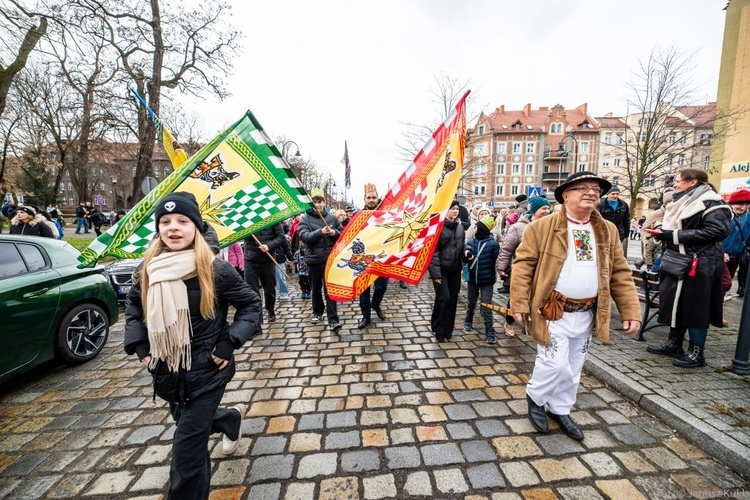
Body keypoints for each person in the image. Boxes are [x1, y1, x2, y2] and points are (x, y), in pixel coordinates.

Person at [123, 192, 261, 499]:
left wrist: (228, 343)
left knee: (186, 453)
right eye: (165, 221)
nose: (173, 227)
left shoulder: (215, 269)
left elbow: (251, 305)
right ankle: (228, 419)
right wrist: (141, 348)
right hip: (168, 371)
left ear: (195, 227)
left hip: (207, 373)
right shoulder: (149, 269)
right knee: (194, 431)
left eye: (182, 221)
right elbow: (134, 308)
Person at [510, 171, 641, 440]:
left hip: (586, 313)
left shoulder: (607, 229)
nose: (591, 192)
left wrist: (630, 310)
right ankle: (536, 397)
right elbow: (523, 267)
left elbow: (619, 272)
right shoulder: (541, 228)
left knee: (573, 366)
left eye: (596, 189)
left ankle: (559, 409)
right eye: (583, 187)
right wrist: (519, 304)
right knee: (554, 365)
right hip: (551, 310)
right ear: (565, 194)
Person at [646, 168, 732, 367]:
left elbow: (718, 231)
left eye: (678, 181)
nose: (675, 184)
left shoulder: (712, 201)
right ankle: (674, 343)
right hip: (679, 260)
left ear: (692, 182)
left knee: (696, 307)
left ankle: (697, 353)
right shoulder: (684, 201)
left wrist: (673, 236)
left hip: (701, 264)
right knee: (679, 303)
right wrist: (664, 233)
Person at [496, 196, 552, 336]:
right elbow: (506, 249)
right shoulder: (518, 228)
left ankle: (536, 324)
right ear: (533, 210)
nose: (546, 211)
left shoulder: (550, 226)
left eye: (548, 208)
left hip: (544, 271)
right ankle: (509, 322)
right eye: (543, 208)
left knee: (539, 298)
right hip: (523, 270)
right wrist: (501, 268)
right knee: (516, 298)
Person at [299, 188, 343, 332]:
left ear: (324, 203)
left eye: (320, 201)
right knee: (316, 289)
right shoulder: (305, 219)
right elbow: (304, 237)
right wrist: (320, 232)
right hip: (313, 260)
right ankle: (317, 311)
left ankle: (333, 319)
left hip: (330, 260)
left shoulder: (332, 218)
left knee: (330, 290)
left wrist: (334, 232)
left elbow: (342, 237)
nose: (318, 204)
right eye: (315, 202)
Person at [428, 200, 471, 342]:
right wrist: (435, 273)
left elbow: (462, 244)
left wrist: (466, 251)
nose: (455, 211)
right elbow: (433, 251)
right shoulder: (437, 228)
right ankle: (438, 328)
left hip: (455, 269)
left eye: (457, 209)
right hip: (441, 270)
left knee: (452, 300)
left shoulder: (460, 228)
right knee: (443, 298)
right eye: (452, 208)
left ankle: (448, 329)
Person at [357, 183, 390, 329]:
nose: (371, 200)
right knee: (363, 290)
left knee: (381, 287)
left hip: (381, 257)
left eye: (373, 197)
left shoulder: (385, 215)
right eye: (368, 197)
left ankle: (376, 305)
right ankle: (366, 316)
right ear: (364, 199)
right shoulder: (358, 216)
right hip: (363, 259)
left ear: (378, 199)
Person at [463, 214, 500, 343]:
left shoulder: (493, 244)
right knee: (471, 302)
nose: (474, 229)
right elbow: (465, 254)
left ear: (482, 229)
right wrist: (466, 254)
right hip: (473, 279)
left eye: (476, 227)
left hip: (487, 280)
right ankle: (468, 319)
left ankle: (489, 330)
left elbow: (497, 261)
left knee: (486, 305)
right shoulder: (471, 242)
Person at [243, 221, 284, 323]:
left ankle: (270, 310)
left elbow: (280, 237)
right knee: (252, 290)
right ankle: (257, 317)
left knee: (269, 289)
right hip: (250, 259)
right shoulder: (246, 218)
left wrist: (268, 246)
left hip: (267, 260)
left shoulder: (273, 218)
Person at [721, 190, 750, 298]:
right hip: (721, 255)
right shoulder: (724, 215)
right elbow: (714, 235)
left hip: (736, 256)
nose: (743, 208)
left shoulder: (748, 218)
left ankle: (717, 305)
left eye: (746, 205)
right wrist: (721, 252)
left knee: (726, 283)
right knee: (725, 283)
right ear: (732, 203)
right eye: (740, 204)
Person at [596, 186, 630, 251]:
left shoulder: (623, 205)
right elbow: (597, 220)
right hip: (605, 232)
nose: (615, 196)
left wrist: (626, 235)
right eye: (613, 194)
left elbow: (626, 220)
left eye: (617, 194)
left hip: (619, 233)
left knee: (616, 251)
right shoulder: (601, 205)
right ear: (608, 194)